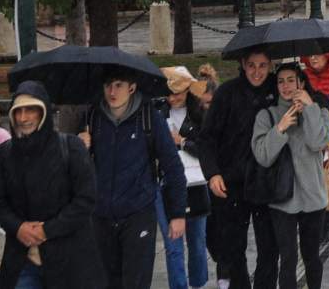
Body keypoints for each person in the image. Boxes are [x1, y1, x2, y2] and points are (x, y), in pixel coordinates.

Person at [81, 68, 187, 289]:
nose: (112, 91)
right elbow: (78, 169)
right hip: (101, 216)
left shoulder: (149, 118)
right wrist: (80, 147)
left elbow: (173, 167)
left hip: (138, 212)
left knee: (136, 282)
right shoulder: (93, 117)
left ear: (132, 87)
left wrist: (177, 214)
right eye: (108, 85)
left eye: (118, 85)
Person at [0, 81, 103, 289]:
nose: (24, 117)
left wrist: (47, 230)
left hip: (69, 262)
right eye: (18, 111)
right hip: (22, 260)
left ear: (43, 111)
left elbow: (86, 199)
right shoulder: (4, 154)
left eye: (31, 110)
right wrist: (18, 227)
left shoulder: (71, 148)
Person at [197, 48, 280, 289]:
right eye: (252, 65)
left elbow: (316, 100)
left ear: (270, 65)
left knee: (270, 247)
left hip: (266, 181)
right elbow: (207, 137)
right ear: (243, 64)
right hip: (232, 182)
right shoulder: (227, 93)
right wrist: (212, 173)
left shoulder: (278, 88)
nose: (257, 71)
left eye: (262, 65)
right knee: (232, 249)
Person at [251, 63, 329, 289]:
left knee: (312, 256)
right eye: (280, 81)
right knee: (288, 259)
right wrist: (280, 128)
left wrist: (310, 109)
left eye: (291, 80)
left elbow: (318, 143)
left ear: (302, 83)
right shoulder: (267, 115)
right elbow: (262, 156)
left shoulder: (319, 110)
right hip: (282, 199)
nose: (285, 86)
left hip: (313, 197)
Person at [156, 67, 212, 289]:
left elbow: (207, 148)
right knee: (173, 243)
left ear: (188, 91)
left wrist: (182, 142)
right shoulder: (157, 112)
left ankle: (198, 284)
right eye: (169, 93)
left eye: (177, 92)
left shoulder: (200, 114)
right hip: (166, 184)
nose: (172, 98)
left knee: (197, 242)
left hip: (196, 183)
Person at [299, 53, 329, 242]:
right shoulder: (302, 78)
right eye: (309, 56)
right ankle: (318, 228)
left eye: (317, 55)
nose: (312, 59)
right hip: (309, 137)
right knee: (312, 184)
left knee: (328, 182)